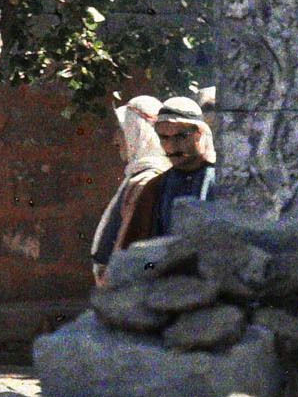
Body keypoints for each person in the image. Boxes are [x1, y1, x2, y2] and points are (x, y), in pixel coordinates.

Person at [115, 94, 217, 249]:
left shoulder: (220, 180)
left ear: (199, 134)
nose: (172, 146)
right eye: (164, 137)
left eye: (180, 136)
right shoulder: (154, 187)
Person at [89, 95, 168, 284]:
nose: (115, 139)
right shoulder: (139, 175)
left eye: (121, 130)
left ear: (137, 131)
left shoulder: (147, 181)